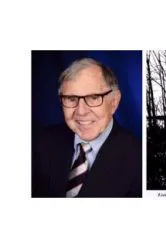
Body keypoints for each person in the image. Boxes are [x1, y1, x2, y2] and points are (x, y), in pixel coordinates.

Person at [32, 58, 142, 197]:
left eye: (93, 98)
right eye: (72, 99)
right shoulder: (41, 142)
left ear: (114, 102)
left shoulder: (141, 160)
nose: (81, 111)